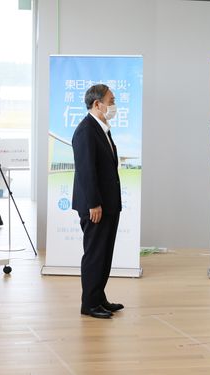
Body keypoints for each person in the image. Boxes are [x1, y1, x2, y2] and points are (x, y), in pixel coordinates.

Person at [72, 84, 124, 319]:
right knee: (94, 254)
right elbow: (86, 171)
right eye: (111, 100)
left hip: (109, 204)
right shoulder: (86, 130)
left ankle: (99, 297)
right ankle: (89, 303)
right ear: (97, 104)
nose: (113, 105)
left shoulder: (103, 128)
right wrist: (94, 203)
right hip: (96, 206)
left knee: (105, 253)